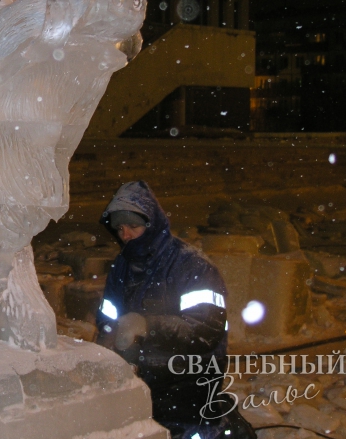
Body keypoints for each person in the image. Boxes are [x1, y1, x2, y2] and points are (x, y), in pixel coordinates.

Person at [95, 181, 256, 439]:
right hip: (141, 380)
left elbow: (205, 330)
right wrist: (108, 343)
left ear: (151, 224)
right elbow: (107, 318)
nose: (126, 235)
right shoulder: (122, 266)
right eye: (120, 228)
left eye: (133, 226)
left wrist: (148, 326)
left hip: (189, 380)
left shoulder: (192, 266)